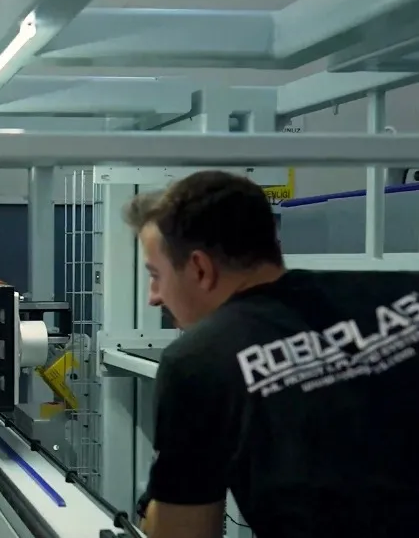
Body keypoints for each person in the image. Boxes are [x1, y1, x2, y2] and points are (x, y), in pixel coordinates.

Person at [125, 170, 419, 538]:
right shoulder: (407, 291)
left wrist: (155, 500)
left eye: (156, 274)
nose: (154, 296)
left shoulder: (197, 362)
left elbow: (183, 534)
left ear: (200, 268)